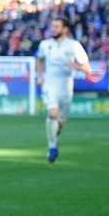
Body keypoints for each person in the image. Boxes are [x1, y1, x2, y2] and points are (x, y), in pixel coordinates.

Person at [36, 17, 91, 163]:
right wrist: (40, 76)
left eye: (56, 27)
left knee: (60, 124)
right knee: (52, 113)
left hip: (66, 87)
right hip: (50, 84)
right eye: (52, 26)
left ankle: (54, 138)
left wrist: (77, 67)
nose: (53, 29)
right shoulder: (45, 45)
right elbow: (40, 60)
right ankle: (52, 147)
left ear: (65, 29)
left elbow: (88, 69)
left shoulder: (74, 46)